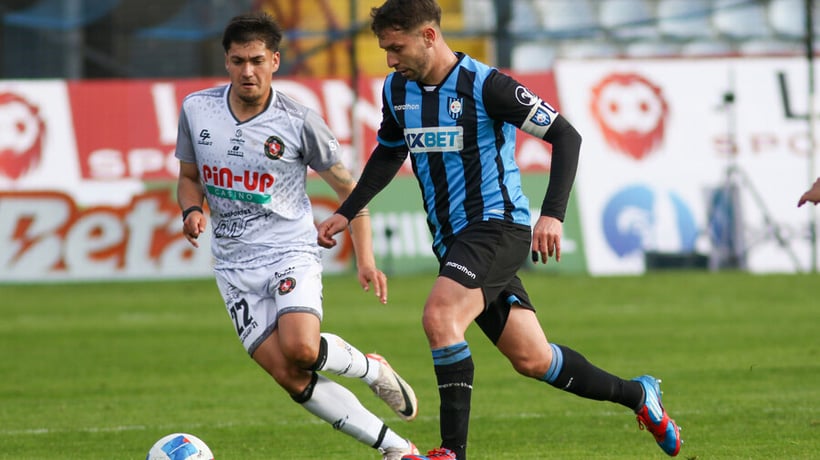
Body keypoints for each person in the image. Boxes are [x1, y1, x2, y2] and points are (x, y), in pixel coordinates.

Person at [316, 1, 682, 459]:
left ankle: (452, 452)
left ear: (429, 37)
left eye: (396, 47)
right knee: (534, 359)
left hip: (498, 227)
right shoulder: (396, 90)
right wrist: (348, 211)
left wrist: (552, 213)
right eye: (385, 49)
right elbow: (390, 153)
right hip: (454, 241)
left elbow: (566, 135)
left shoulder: (487, 86)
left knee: (439, 318)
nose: (390, 59)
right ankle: (639, 395)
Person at [175, 12, 420, 460]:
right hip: (232, 264)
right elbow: (189, 176)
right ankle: (398, 450)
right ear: (226, 62)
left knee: (303, 349)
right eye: (236, 61)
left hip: (290, 250)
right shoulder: (196, 109)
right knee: (288, 375)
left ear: (274, 60)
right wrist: (192, 208)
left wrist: (365, 259)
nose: (247, 71)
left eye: (255, 60)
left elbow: (352, 192)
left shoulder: (299, 121)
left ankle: (369, 368)